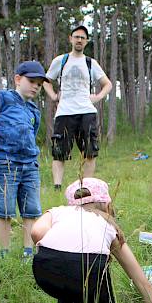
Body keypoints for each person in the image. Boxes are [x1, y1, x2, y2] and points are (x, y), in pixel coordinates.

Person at [0, 61, 47, 261]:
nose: (35, 86)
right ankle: (4, 254)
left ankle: (28, 252)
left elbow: (32, 133)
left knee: (31, 210)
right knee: (5, 209)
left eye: (39, 84)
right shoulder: (3, 98)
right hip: (7, 163)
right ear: (18, 79)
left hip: (30, 164)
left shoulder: (34, 111)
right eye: (31, 81)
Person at [43, 25, 113, 189]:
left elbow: (107, 84)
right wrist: (53, 96)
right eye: (76, 37)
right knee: (59, 152)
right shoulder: (61, 61)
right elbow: (46, 80)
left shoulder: (90, 63)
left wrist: (98, 97)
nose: (79, 40)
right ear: (71, 39)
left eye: (82, 37)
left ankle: (86, 186)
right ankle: (57, 187)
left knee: (90, 151)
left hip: (86, 112)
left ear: (86, 41)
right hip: (64, 112)